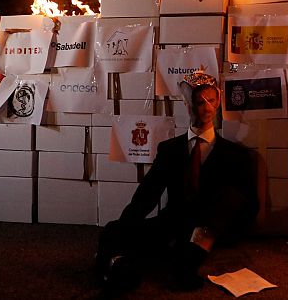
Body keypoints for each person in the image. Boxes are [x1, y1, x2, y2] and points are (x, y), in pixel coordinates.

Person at [96, 71, 258, 292]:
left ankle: (188, 261)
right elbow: (147, 194)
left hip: (211, 229)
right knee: (113, 230)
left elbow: (245, 204)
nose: (207, 107)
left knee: (230, 196)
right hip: (173, 223)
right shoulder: (170, 149)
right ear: (187, 104)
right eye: (200, 102)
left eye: (211, 100)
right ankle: (117, 266)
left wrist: (212, 229)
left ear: (218, 102)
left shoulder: (235, 154)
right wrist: (126, 226)